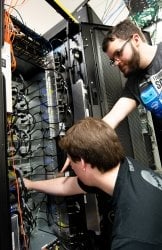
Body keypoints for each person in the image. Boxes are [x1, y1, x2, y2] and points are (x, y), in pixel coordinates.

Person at [23, 117, 162, 249]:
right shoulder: (120, 167)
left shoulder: (131, 237)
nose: (71, 166)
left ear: (83, 163)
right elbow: (68, 185)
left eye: (71, 161)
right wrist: (30, 184)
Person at [62, 18, 162, 171]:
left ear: (135, 39)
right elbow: (109, 121)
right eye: (112, 60)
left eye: (118, 53)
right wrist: (78, 147)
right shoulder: (134, 85)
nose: (116, 63)